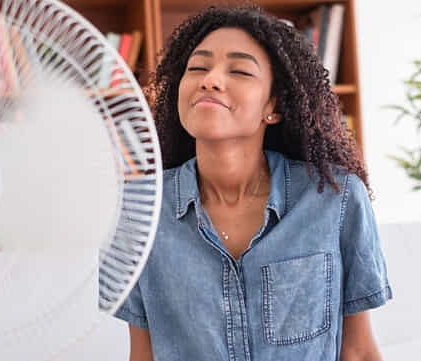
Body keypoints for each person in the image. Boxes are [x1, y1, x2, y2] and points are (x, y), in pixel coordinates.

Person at [111, 4, 392, 361]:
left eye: (240, 70)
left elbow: (359, 352)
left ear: (273, 106)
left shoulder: (335, 198)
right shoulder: (138, 213)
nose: (210, 79)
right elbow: (142, 355)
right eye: (197, 67)